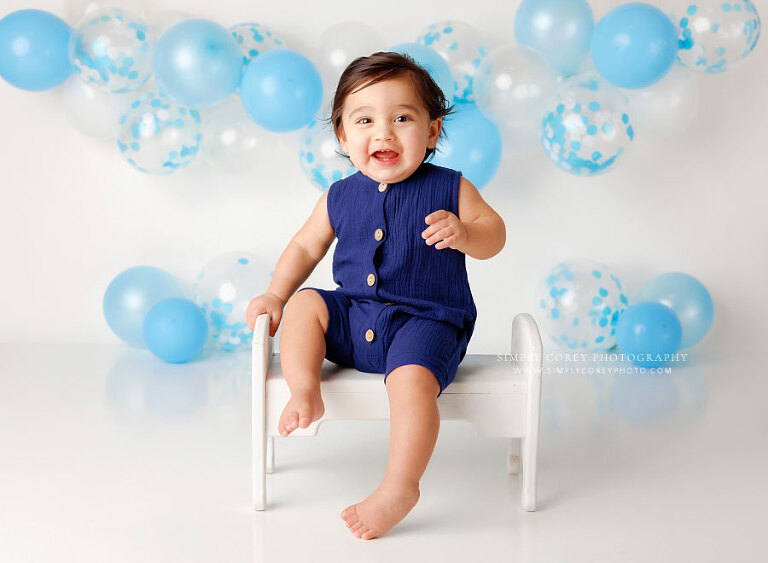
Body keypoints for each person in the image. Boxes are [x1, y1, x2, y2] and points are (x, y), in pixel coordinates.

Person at [246, 51, 506, 540]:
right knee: (307, 302)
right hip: (356, 317)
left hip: (425, 323)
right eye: (364, 120)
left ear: (431, 132)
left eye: (402, 118)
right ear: (343, 136)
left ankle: (399, 486)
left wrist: (467, 234)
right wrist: (277, 294)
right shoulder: (340, 195)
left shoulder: (450, 188)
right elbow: (305, 245)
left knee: (410, 383)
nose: (383, 133)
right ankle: (306, 389)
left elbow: (496, 232)